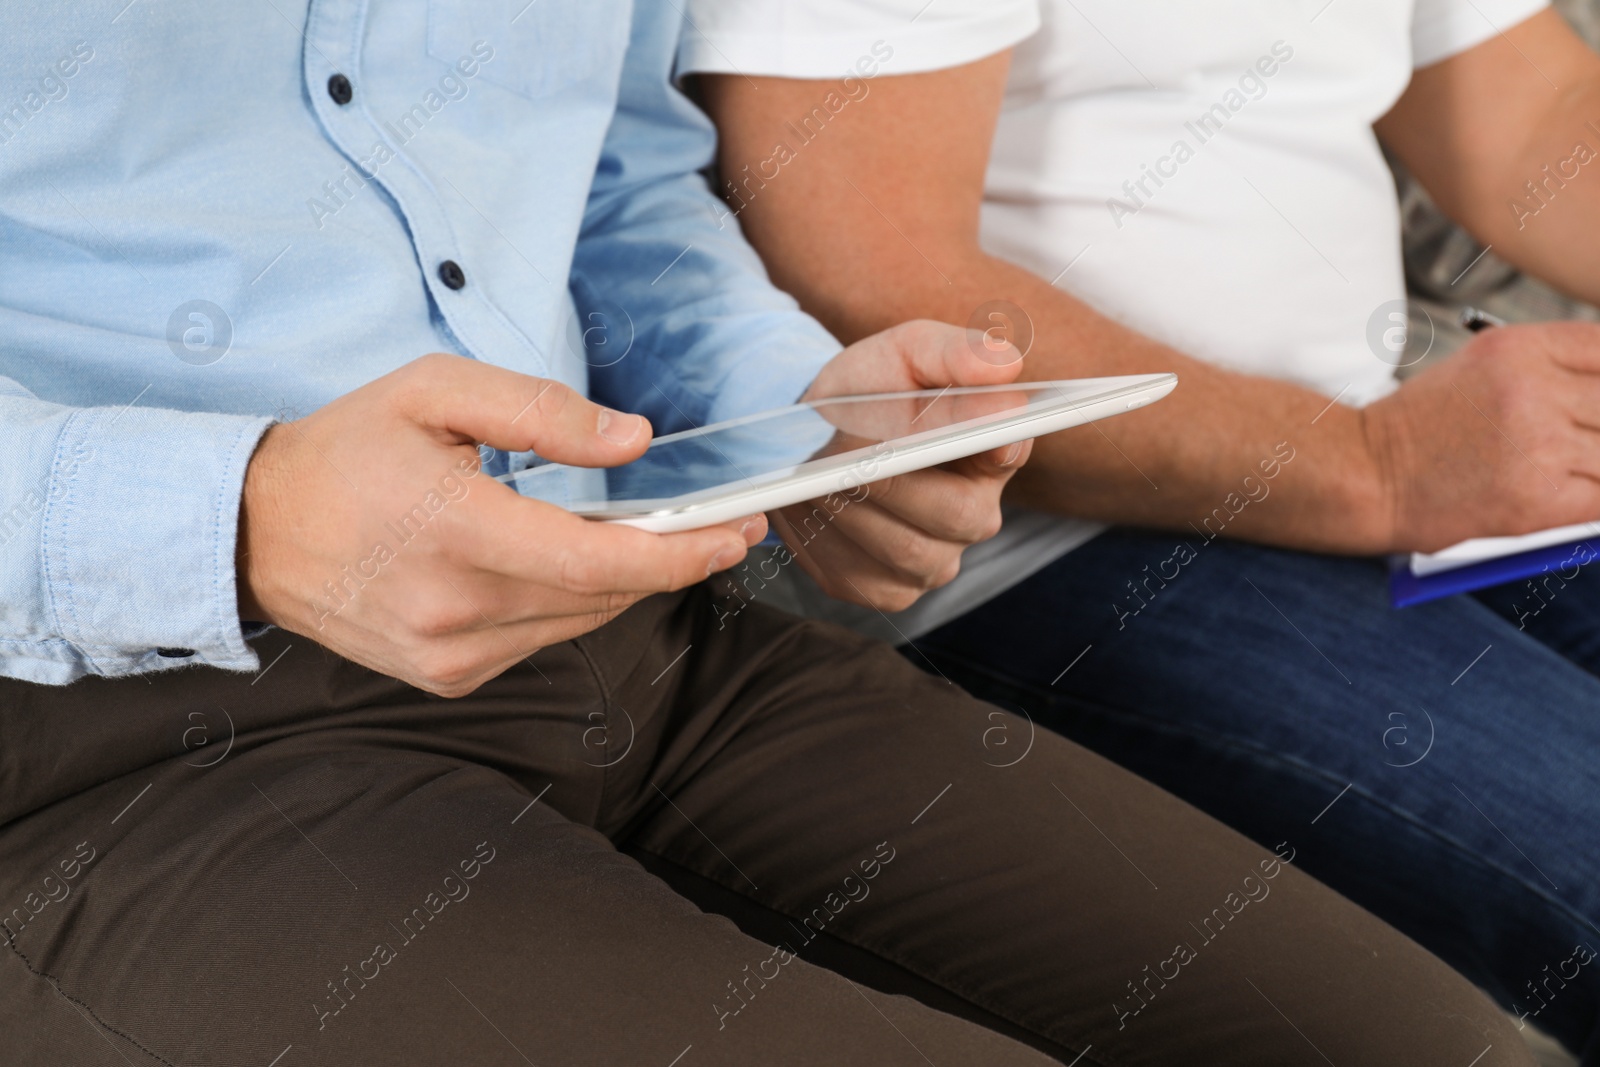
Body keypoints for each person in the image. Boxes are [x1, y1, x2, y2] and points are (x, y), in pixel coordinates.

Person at [0, 5, 1537, 1066]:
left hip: (650, 627)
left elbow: (614, 190)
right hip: (132, 739)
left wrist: (800, 411)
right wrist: (246, 510)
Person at [683, 0, 1600, 1060]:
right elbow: (864, 273)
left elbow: (1533, 116)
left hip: (1393, 454)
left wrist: (1393, 464)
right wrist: (1375, 469)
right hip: (1055, 539)